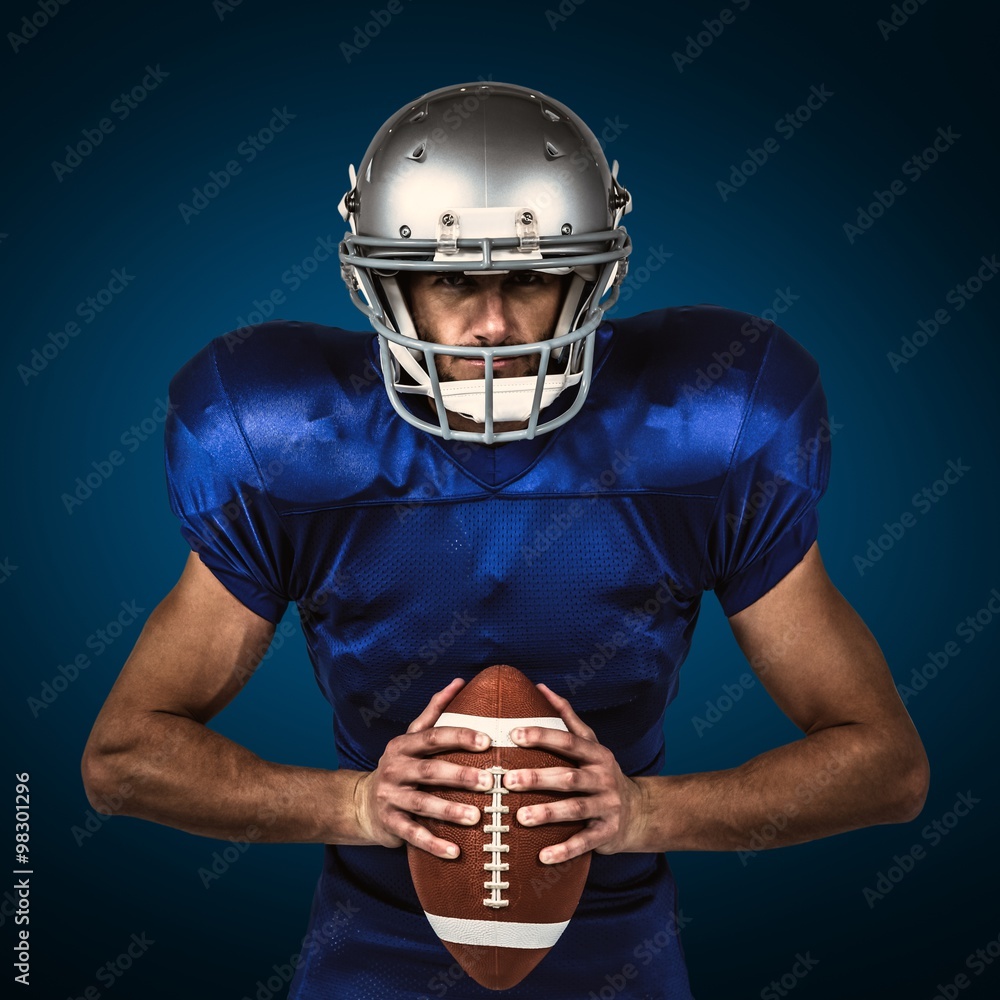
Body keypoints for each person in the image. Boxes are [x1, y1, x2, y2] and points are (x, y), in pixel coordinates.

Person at [82, 82, 930, 999]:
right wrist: (356, 803)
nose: (493, 323)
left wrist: (644, 813)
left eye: (529, 275)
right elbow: (123, 758)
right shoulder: (287, 438)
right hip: (371, 944)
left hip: (622, 950)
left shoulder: (710, 422)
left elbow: (886, 766)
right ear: (381, 281)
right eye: (451, 277)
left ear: (593, 274)